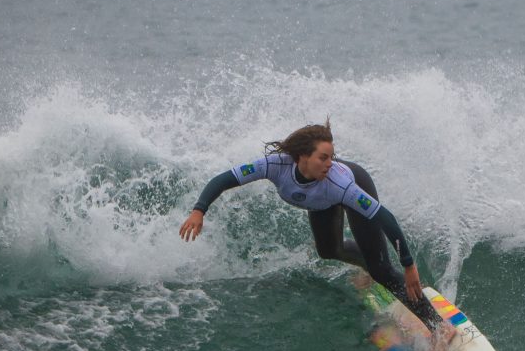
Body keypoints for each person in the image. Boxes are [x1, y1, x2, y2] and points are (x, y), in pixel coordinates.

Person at [178, 119, 447, 333]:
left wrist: (409, 264)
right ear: (301, 157)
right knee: (329, 250)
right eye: (323, 157)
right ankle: (367, 264)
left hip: (352, 185)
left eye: (332, 157)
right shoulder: (273, 165)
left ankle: (439, 329)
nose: (330, 163)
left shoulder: (340, 182)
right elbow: (225, 179)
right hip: (321, 202)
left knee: (382, 270)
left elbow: (383, 217)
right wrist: (199, 210)